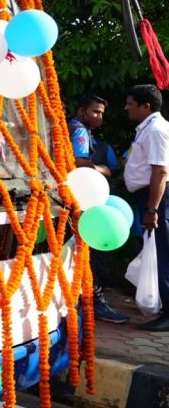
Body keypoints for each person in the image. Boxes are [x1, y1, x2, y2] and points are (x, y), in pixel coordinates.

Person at [69, 94, 128, 323]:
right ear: (82, 111)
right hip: (83, 201)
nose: (100, 117)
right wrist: (104, 170)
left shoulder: (71, 128)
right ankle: (95, 303)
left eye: (102, 113)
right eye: (95, 111)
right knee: (93, 254)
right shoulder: (80, 131)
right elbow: (81, 163)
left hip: (72, 199)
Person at [122, 84, 169, 331]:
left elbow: (160, 172)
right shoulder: (148, 128)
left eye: (130, 104)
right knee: (157, 249)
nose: (126, 108)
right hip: (150, 197)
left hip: (157, 198)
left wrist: (152, 210)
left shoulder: (156, 130)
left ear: (146, 106)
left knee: (163, 252)